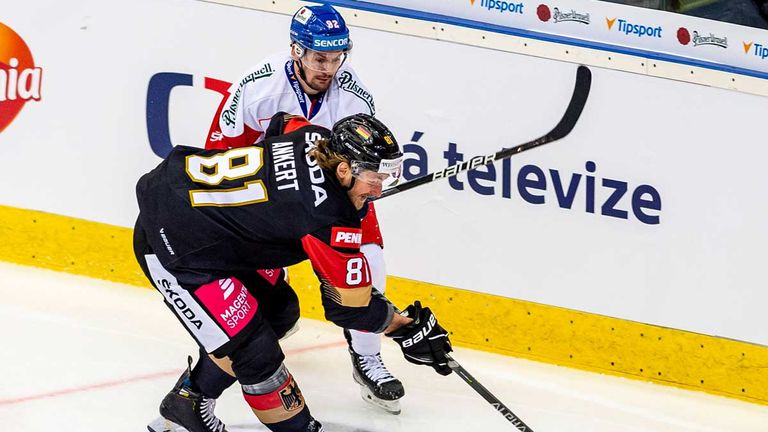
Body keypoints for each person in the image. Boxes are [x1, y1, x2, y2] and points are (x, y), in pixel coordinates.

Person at [138, 112, 453, 432]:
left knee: (278, 312)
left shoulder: (314, 136)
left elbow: (280, 123)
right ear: (344, 170)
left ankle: (186, 404)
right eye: (375, 179)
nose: (377, 192)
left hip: (203, 219)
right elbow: (348, 308)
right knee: (254, 350)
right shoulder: (325, 215)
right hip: (175, 248)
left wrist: (273, 193)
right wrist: (404, 327)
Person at [195, 2, 405, 416]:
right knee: (265, 291)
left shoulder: (355, 97)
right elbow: (219, 158)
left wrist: (362, 193)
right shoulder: (258, 88)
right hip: (268, 193)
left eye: (336, 58)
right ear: (297, 51)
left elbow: (359, 172)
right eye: (319, 58)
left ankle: (366, 357)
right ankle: (243, 347)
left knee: (369, 261)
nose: (328, 67)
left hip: (334, 191)